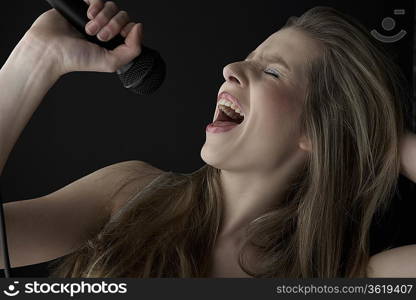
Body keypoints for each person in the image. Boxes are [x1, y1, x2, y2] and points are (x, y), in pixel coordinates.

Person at [0, 0, 415, 278]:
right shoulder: (127, 193)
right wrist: (36, 60)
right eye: (247, 58)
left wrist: (375, 136)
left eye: (272, 72)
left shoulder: (341, 276)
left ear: (316, 132)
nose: (230, 67)